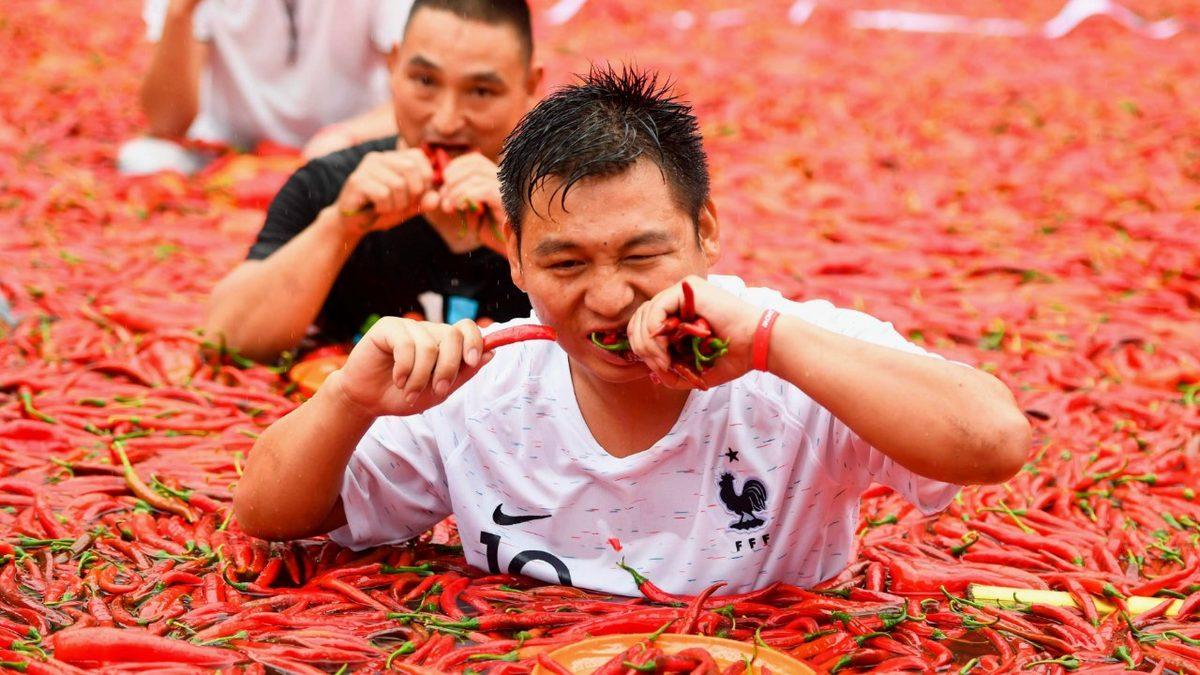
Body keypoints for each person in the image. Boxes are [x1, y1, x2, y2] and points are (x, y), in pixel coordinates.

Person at [234, 66, 1031, 595]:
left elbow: (996, 439)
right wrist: (349, 399)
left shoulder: (794, 356)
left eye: (644, 254)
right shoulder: (484, 385)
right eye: (566, 263)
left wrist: (771, 344)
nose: (608, 296)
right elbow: (267, 514)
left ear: (706, 230)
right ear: (511, 257)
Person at [204, 0, 542, 361]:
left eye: (481, 92)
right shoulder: (329, 185)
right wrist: (338, 228)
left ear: (529, 85)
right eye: (425, 81)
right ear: (393, 66)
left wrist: (529, 240)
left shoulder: (562, 201)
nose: (446, 121)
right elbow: (225, 342)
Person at [118, 0, 408, 176]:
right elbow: (165, 124)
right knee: (143, 158)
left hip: (345, 151)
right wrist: (180, 13)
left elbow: (419, 97)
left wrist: (347, 135)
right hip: (228, 155)